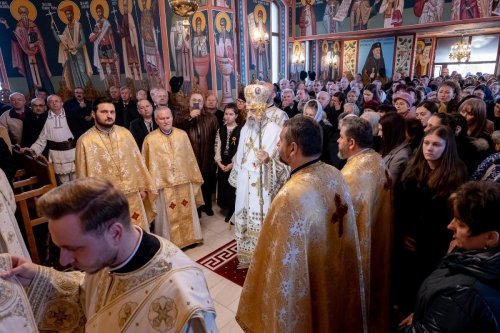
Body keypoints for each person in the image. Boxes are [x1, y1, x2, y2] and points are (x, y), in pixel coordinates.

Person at [0, 177, 217, 332]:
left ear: (115, 232)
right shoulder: (110, 255)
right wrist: (38, 277)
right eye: (60, 248)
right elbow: (90, 298)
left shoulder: (185, 302)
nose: (62, 261)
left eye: (73, 248)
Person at [236, 116, 365, 332]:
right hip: (333, 265)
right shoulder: (334, 173)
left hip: (309, 275)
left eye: (280, 141)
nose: (278, 145)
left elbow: (279, 262)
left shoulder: (290, 195)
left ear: (293, 148)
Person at [399, 181, 500, 332]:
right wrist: (430, 312)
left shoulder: (464, 295)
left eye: (461, 224)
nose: (450, 225)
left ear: (491, 237)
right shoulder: (472, 254)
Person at [394, 125, 468, 316]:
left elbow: (452, 213)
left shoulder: (457, 173)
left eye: (436, 144)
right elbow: (400, 206)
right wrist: (402, 233)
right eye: (426, 143)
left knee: (426, 286)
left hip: (435, 241)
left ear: (447, 147)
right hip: (408, 238)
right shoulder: (411, 168)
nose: (429, 148)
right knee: (405, 287)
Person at [338, 116, 393, 333]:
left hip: (360, 248)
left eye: (341, 138)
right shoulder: (377, 159)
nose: (337, 142)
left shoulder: (351, 174)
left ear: (351, 143)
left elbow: (340, 219)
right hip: (380, 237)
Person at [229, 84, 289, 268]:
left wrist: (268, 161)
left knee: (260, 220)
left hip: (262, 185)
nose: (250, 113)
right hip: (245, 181)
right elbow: (240, 156)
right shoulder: (246, 127)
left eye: (254, 109)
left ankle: (263, 259)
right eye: (249, 109)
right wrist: (238, 176)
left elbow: (285, 166)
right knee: (243, 216)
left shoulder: (274, 130)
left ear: (263, 108)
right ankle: (247, 258)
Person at [75, 97, 157, 231]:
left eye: (112, 112)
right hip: (106, 202)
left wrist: (143, 187)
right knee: (115, 234)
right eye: (104, 112)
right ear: (93, 114)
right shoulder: (85, 141)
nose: (109, 116)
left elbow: (137, 162)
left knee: (138, 230)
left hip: (133, 196)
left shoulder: (125, 134)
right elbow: (83, 178)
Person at [143, 107, 204, 248]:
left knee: (186, 208)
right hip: (163, 184)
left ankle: (191, 238)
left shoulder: (182, 135)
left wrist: (193, 176)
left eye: (168, 118)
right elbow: (146, 165)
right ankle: (170, 244)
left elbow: (190, 158)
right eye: (162, 118)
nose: (165, 121)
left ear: (172, 118)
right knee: (166, 214)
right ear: (156, 120)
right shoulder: (150, 140)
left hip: (183, 181)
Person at [174, 93, 219, 216]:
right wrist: (190, 117)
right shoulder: (181, 115)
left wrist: (216, 156)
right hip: (188, 157)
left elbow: (217, 137)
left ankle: (207, 206)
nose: (197, 102)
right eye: (194, 99)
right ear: (189, 101)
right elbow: (176, 129)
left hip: (207, 156)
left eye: (199, 100)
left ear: (203, 102)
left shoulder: (211, 117)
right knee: (193, 184)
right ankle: (196, 209)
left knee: (206, 183)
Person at [26, 94, 85, 184]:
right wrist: (32, 151)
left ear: (62, 103)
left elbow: (83, 133)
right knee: (63, 181)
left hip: (73, 152)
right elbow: (41, 140)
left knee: (78, 179)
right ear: (48, 105)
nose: (54, 103)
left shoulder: (72, 114)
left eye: (56, 101)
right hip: (56, 154)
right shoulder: (43, 118)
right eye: (51, 101)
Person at [0, 4, 54, 95]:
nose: (23, 15)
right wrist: (6, 24)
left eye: (24, 13)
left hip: (36, 53)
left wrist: (35, 44)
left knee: (42, 73)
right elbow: (15, 38)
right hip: (26, 54)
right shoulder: (19, 26)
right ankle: (33, 95)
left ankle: (50, 94)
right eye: (21, 13)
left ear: (27, 14)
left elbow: (40, 39)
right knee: (30, 75)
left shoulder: (33, 25)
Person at [51, 4, 93, 91]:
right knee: (74, 73)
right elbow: (60, 40)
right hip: (71, 54)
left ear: (73, 14)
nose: (68, 16)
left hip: (79, 52)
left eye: (70, 14)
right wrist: (53, 29)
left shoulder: (78, 25)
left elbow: (84, 40)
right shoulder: (66, 29)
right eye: (67, 14)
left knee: (82, 71)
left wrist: (76, 47)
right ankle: (78, 91)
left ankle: (88, 90)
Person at [215, 103, 242, 222]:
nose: (228, 116)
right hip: (223, 162)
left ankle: (232, 209)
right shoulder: (221, 129)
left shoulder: (240, 130)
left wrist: (233, 164)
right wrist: (219, 162)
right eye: (226, 114)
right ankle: (225, 206)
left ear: (236, 116)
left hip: (233, 162)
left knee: (232, 187)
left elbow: (240, 149)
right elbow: (217, 145)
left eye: (231, 114)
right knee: (223, 185)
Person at [88, 3, 120, 89]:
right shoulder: (97, 24)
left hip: (108, 47)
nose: (99, 13)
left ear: (102, 11)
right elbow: (92, 39)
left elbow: (111, 36)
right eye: (97, 12)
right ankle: (107, 88)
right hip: (101, 49)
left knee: (113, 68)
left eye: (100, 11)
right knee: (104, 69)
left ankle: (116, 86)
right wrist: (97, 33)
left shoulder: (107, 23)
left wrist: (114, 50)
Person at [139, 0, 165, 87]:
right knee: (150, 68)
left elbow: (152, 29)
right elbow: (142, 32)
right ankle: (152, 86)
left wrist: (156, 47)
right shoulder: (142, 16)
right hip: (146, 45)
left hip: (152, 44)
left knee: (155, 66)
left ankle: (159, 84)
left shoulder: (150, 15)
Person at [116, 0, 142, 81]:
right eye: (123, 6)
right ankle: (132, 76)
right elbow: (123, 31)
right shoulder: (123, 17)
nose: (125, 8)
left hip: (132, 40)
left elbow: (133, 28)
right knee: (129, 58)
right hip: (127, 41)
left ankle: (138, 76)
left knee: (135, 58)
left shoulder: (130, 16)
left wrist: (131, 30)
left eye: (126, 5)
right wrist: (119, 29)